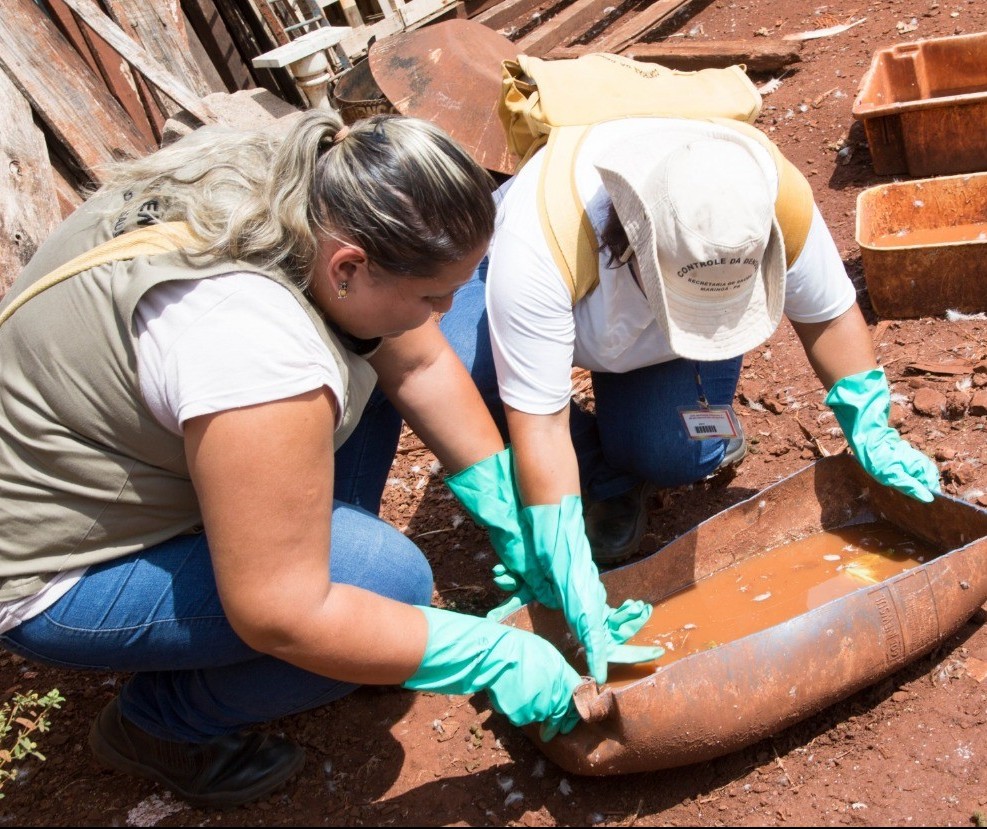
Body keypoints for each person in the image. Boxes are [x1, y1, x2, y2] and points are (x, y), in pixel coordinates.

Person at [0, 110, 659, 808]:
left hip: (127, 452)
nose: (444, 312)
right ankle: (161, 724)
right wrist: (493, 655)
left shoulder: (313, 179)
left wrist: (518, 520)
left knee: (377, 355)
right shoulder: (251, 342)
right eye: (433, 294)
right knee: (380, 584)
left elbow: (418, 363)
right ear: (349, 265)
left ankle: (318, 573)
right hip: (58, 564)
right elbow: (281, 613)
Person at [438, 114, 943, 568]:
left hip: (632, 325)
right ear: (631, 245)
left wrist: (871, 426)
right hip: (547, 287)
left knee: (669, 452)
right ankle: (603, 480)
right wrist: (561, 542)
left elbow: (828, 317)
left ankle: (664, 437)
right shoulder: (540, 248)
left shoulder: (767, 201)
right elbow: (540, 426)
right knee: (463, 369)